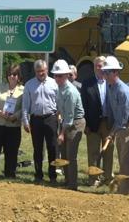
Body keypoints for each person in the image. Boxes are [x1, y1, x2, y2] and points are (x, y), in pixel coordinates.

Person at [102, 56, 129, 195]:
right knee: (124, 157)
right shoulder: (110, 86)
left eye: (107, 72)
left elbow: (123, 118)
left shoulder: (123, 91)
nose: (104, 75)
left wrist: (112, 133)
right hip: (121, 126)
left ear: (115, 73)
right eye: (104, 72)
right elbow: (114, 111)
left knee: (126, 159)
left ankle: (124, 191)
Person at [22, 59, 58, 184]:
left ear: (47, 70)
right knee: (37, 148)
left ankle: (53, 175)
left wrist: (60, 117)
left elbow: (58, 102)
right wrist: (25, 121)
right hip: (35, 119)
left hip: (51, 118)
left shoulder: (54, 83)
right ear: (35, 71)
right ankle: (38, 175)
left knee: (52, 147)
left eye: (42, 71)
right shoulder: (29, 85)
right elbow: (25, 105)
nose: (40, 74)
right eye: (38, 71)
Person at [52, 59, 86, 191]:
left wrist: (61, 133)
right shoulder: (60, 88)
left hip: (75, 123)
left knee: (71, 155)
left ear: (67, 75)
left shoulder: (70, 92)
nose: (57, 78)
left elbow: (70, 117)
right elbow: (62, 108)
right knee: (64, 153)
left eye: (60, 75)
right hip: (66, 121)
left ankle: (73, 184)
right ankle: (67, 181)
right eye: (55, 75)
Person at [80, 56, 114, 186]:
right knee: (93, 152)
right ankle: (94, 179)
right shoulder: (87, 83)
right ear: (94, 67)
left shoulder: (111, 82)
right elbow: (83, 105)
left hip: (108, 123)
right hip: (92, 123)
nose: (100, 68)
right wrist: (86, 124)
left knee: (108, 151)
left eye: (102, 66)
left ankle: (108, 178)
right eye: (97, 66)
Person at [0, 64, 24, 178]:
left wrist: (16, 116)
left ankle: (10, 174)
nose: (11, 76)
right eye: (9, 74)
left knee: (12, 152)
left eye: (14, 74)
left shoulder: (23, 90)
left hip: (13, 126)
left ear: (18, 76)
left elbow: (24, 107)